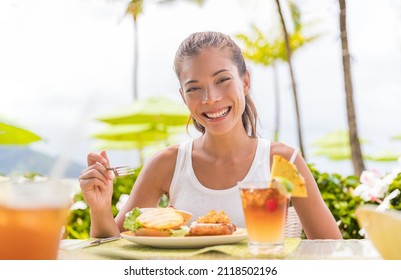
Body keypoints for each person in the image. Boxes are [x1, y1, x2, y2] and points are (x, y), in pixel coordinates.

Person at [79, 31, 343, 239]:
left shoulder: (282, 162)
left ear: (245, 82)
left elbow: (331, 249)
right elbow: (113, 246)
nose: (210, 99)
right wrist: (100, 207)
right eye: (194, 89)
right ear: (183, 97)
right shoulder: (166, 164)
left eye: (222, 80)